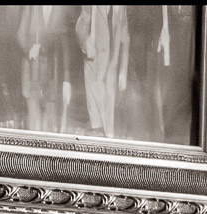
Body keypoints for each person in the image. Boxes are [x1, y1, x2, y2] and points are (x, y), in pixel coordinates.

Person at [17, 5, 75, 134]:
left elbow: (65, 44)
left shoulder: (61, 9)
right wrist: (29, 49)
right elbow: (20, 34)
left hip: (52, 75)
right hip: (32, 73)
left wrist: (66, 81)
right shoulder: (30, 7)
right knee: (34, 125)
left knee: (49, 126)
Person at [75, 5, 129, 138]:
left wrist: (123, 69)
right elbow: (81, 25)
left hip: (112, 66)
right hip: (94, 65)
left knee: (110, 123)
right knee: (97, 123)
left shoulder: (121, 8)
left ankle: (108, 138)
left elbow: (125, 36)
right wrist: (86, 42)